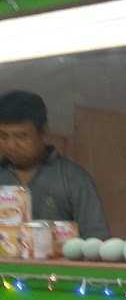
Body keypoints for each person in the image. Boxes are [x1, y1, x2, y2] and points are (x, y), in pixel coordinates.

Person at [0, 90, 109, 239]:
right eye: (3, 136)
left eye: (21, 136)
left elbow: (97, 240)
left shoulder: (73, 179)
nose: (11, 145)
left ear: (43, 133)